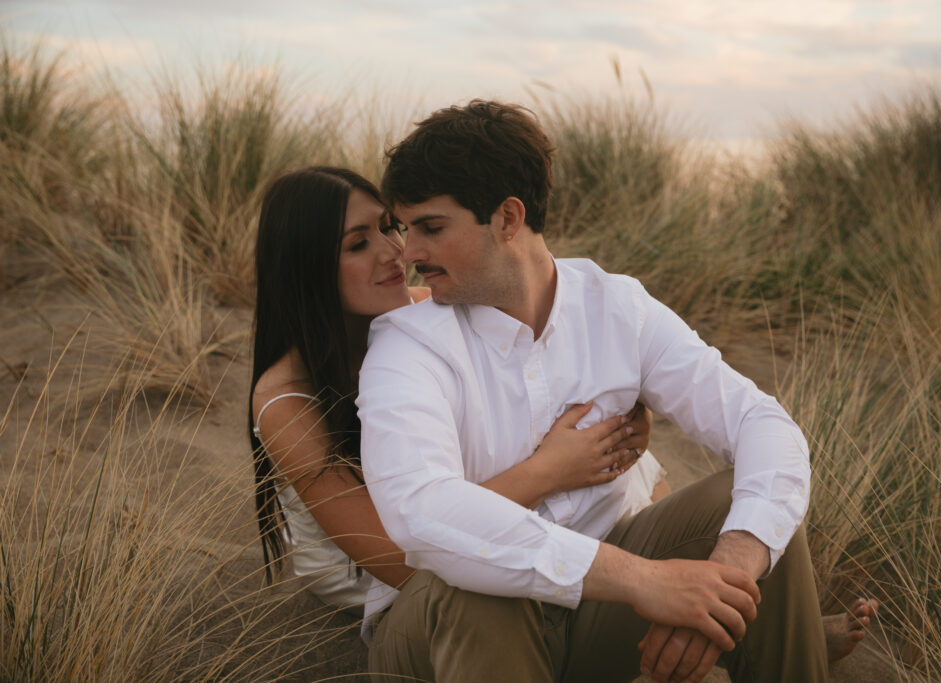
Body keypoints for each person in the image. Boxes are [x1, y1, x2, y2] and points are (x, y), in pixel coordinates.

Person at [357, 101, 878, 683]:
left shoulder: (617, 308)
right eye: (407, 230)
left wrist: (726, 574)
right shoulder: (406, 346)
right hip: (436, 632)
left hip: (590, 612)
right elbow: (419, 512)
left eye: (431, 228)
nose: (409, 253)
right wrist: (649, 582)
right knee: (477, 579)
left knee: (755, 511)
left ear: (508, 218)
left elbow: (761, 422)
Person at [246, 167, 666, 622]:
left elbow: (536, 379)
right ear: (306, 267)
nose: (395, 251)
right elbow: (393, 555)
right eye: (357, 244)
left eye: (389, 227)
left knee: (640, 473)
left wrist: (619, 425)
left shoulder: (430, 305)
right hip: (373, 574)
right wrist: (550, 471)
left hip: (459, 504)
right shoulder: (286, 398)